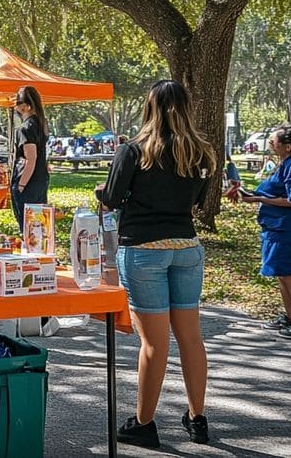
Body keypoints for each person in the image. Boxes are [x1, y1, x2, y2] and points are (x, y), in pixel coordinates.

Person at [96, 80, 215, 447]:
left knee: (154, 344)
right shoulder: (202, 153)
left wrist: (102, 192)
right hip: (187, 246)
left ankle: (144, 422)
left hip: (144, 248)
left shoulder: (132, 150)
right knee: (191, 338)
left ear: (150, 108)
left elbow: (112, 198)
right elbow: (199, 201)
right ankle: (198, 418)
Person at [242, 123, 291, 340]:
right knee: (280, 274)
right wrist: (247, 193)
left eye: (273, 142)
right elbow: (271, 191)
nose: (270, 145)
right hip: (272, 227)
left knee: (289, 273)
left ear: (287, 146)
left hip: (285, 227)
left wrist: (259, 199)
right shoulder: (283, 163)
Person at [11, 86, 50, 234]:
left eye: (18, 102)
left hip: (28, 183)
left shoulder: (25, 129)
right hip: (41, 181)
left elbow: (31, 158)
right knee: (39, 227)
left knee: (27, 228)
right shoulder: (41, 125)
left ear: (26, 106)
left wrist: (21, 185)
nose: (16, 106)